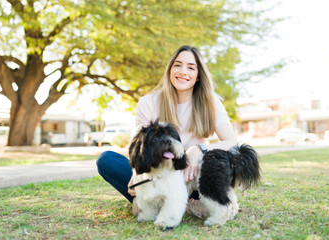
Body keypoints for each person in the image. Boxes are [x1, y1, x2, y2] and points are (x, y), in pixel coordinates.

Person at [96, 45, 237, 217]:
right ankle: (159, 202)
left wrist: (199, 150)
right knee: (107, 160)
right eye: (177, 65)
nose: (183, 71)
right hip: (157, 173)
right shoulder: (148, 102)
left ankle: (185, 202)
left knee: (221, 164)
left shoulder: (211, 101)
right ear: (170, 70)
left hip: (191, 173)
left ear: (199, 76)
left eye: (191, 67)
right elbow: (137, 147)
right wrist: (137, 174)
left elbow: (232, 142)